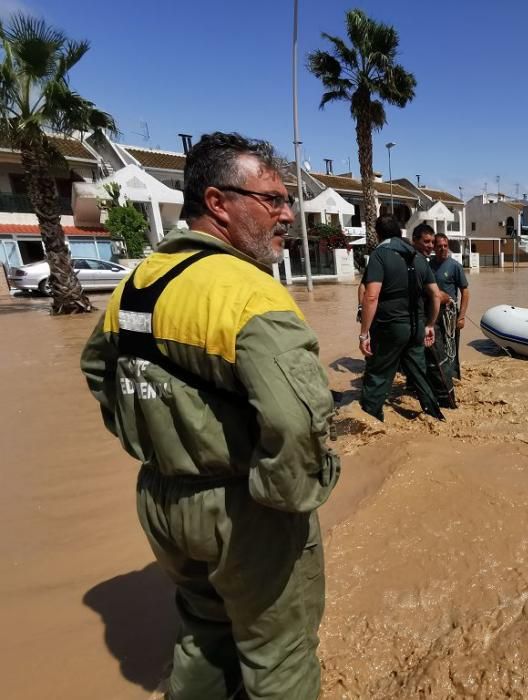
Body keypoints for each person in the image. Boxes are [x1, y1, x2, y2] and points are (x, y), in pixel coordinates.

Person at [80, 132, 339, 700]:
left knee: (203, 635)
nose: (288, 214)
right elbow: (298, 423)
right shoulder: (252, 296)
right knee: (281, 657)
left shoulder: (136, 284)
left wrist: (158, 446)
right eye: (272, 199)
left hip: (162, 501)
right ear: (219, 203)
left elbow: (99, 372)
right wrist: (285, 503)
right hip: (244, 509)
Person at [359, 215, 444, 421]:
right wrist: (430, 325)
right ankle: (434, 414)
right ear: (400, 232)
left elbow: (371, 296)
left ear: (378, 234)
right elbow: (435, 294)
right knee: (418, 373)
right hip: (416, 328)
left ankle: (370, 420)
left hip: (390, 328)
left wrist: (364, 334)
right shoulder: (418, 257)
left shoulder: (380, 254)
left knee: (378, 373)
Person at [429, 232, 470, 381]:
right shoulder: (429, 266)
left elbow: (465, 292)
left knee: (451, 346)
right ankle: (439, 377)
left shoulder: (455, 266)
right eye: (439, 246)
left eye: (445, 246)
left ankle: (453, 378)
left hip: (450, 314)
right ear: (433, 247)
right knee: (435, 347)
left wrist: (462, 317)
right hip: (433, 314)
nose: (443, 249)